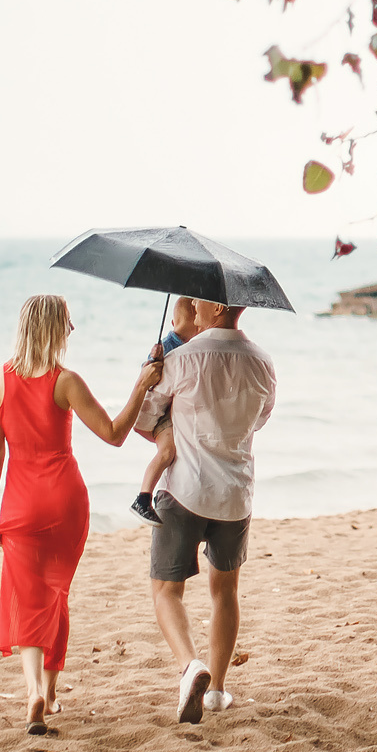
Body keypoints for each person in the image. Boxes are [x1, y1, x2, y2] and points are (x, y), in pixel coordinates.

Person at [0, 294, 160, 734]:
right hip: (65, 501)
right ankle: (50, 692)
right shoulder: (65, 382)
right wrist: (141, 386)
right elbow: (114, 434)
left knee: (28, 597)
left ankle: (33, 692)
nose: (73, 329)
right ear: (51, 328)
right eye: (67, 322)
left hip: (19, 503)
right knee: (55, 594)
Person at [146, 297, 275, 723]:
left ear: (218, 307)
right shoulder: (263, 362)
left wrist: (152, 375)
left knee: (166, 590)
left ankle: (190, 665)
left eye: (199, 298)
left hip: (184, 489)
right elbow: (259, 420)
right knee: (225, 592)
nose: (191, 304)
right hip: (234, 495)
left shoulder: (182, 358)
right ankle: (217, 690)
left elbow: (146, 418)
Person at [130, 297, 204, 525]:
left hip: (164, 412)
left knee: (175, 451)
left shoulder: (170, 343)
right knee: (167, 452)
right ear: (198, 325)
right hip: (160, 416)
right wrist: (153, 360)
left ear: (173, 322)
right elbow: (148, 373)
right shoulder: (174, 348)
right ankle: (143, 497)